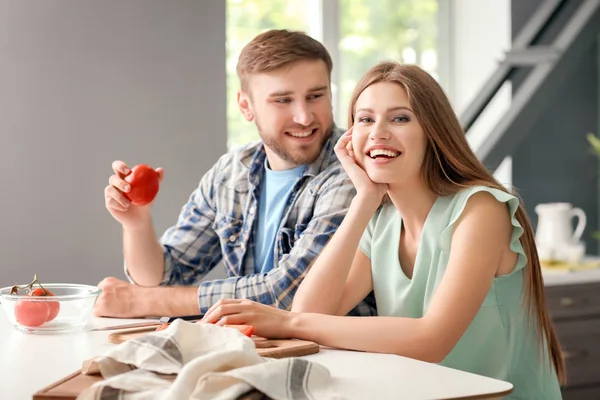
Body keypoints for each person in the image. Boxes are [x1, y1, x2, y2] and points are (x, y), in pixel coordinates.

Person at [201, 61, 565, 398]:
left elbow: (431, 339)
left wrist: (289, 322)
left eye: (400, 119)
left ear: (432, 132)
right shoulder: (382, 220)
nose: (378, 133)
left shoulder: (480, 210)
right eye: (364, 120)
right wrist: (364, 201)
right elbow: (313, 307)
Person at [96, 29, 376, 319]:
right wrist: (136, 224)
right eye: (282, 100)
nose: (304, 117)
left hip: (339, 353)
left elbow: (287, 294)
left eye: (316, 95)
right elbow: (165, 277)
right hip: (261, 347)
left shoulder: (353, 172)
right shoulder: (231, 173)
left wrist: (146, 303)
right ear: (246, 106)